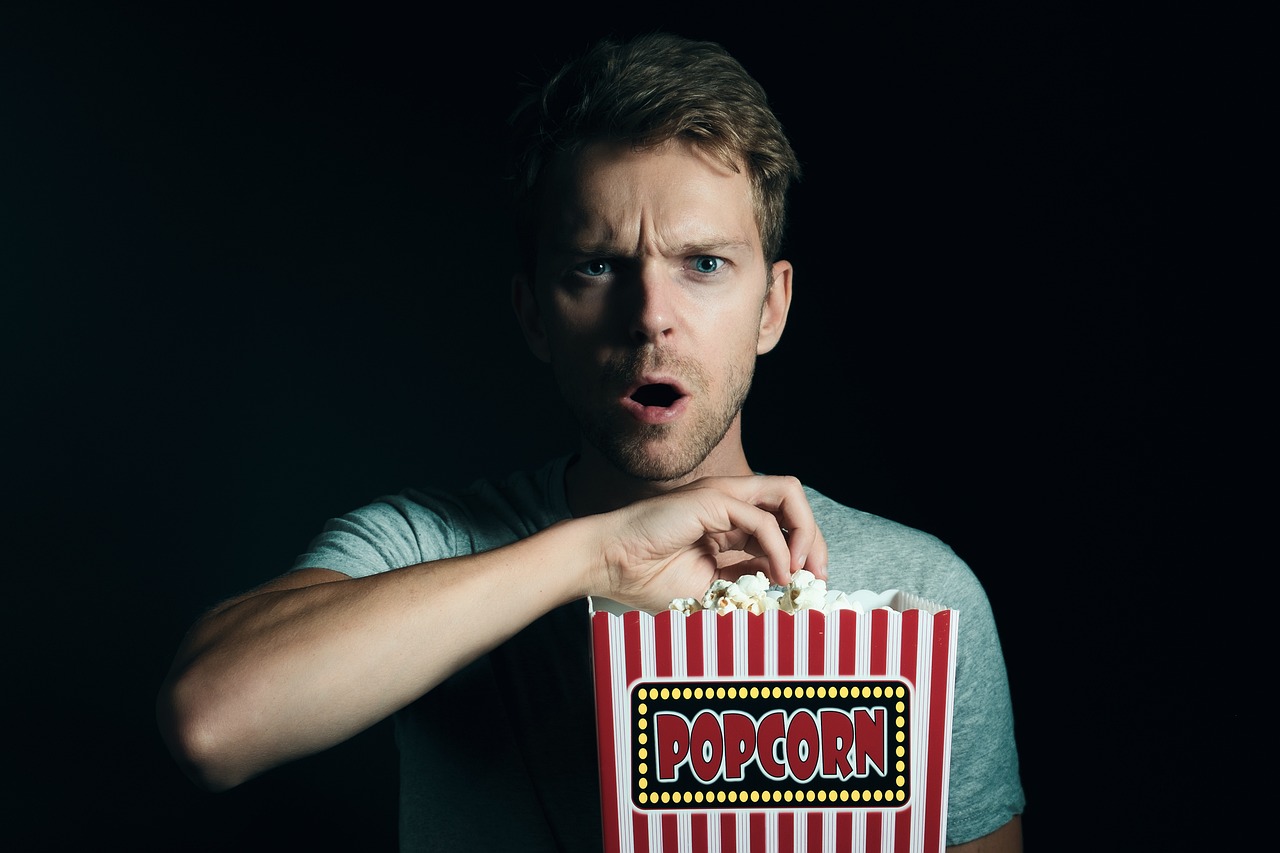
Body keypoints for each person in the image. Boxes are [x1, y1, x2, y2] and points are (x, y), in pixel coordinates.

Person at [157, 32, 1025, 852]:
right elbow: (212, 719)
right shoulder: (433, 545)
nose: (651, 317)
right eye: (598, 266)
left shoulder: (922, 593)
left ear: (773, 306)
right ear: (535, 313)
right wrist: (595, 558)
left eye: (705, 264)